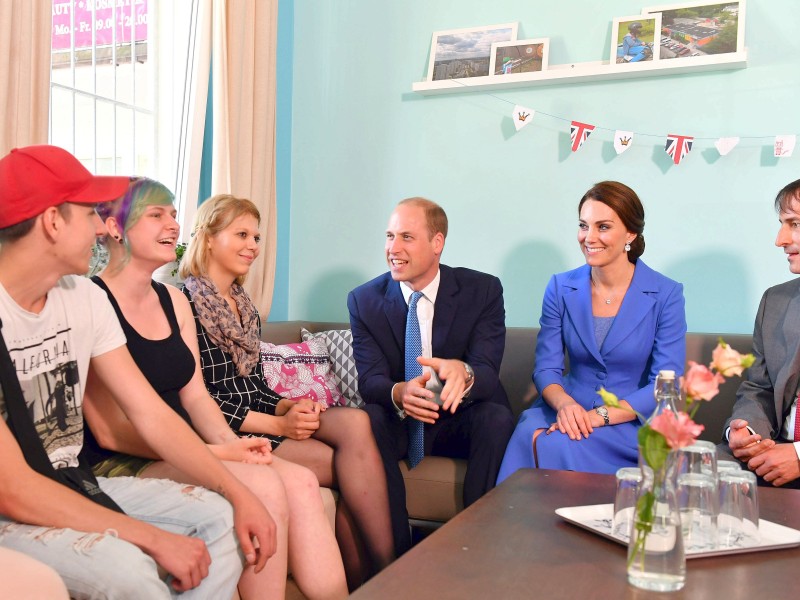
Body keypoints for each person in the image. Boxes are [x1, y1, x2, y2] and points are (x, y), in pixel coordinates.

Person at [0, 145, 274, 598]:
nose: (99, 225)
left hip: (72, 481)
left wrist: (239, 492)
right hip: (12, 507)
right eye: (89, 212)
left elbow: (150, 412)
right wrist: (152, 538)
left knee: (221, 520)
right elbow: (14, 489)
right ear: (52, 221)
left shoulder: (81, 299)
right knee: (128, 568)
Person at [81, 177, 348, 599]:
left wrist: (236, 444)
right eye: (157, 215)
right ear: (115, 228)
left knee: (298, 481)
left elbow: (196, 397)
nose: (172, 223)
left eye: (173, 213)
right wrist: (218, 452)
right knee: (265, 485)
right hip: (123, 460)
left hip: (186, 443)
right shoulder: (89, 300)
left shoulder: (174, 300)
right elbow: (113, 431)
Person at [180, 194, 394, 589]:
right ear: (209, 238)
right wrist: (280, 425)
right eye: (241, 234)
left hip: (261, 415)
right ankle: (379, 579)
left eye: (257, 237)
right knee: (348, 469)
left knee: (355, 423)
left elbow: (256, 385)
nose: (253, 246)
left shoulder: (243, 305)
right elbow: (203, 401)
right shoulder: (184, 303)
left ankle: (385, 573)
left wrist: (290, 404)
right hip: (226, 431)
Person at [348, 197, 515, 555]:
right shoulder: (363, 301)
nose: (393, 248)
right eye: (390, 236)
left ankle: (478, 548)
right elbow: (370, 380)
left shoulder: (482, 291)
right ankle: (393, 557)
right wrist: (399, 392)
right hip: (402, 421)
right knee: (369, 418)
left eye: (406, 237)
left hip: (459, 417)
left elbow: (487, 369)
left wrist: (464, 372)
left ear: (436, 243)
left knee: (497, 416)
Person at [497, 181, 686, 481]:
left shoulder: (666, 294)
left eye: (603, 226)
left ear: (631, 234)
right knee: (531, 435)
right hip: (567, 409)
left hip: (632, 419)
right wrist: (566, 404)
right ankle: (519, 528)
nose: (589, 237)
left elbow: (666, 384)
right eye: (584, 225)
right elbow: (546, 368)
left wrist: (599, 416)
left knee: (560, 442)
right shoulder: (560, 287)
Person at [721, 178, 800, 489]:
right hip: (771, 453)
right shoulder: (775, 302)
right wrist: (746, 432)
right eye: (782, 224)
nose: (780, 239)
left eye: (794, 224)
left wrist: (798, 456)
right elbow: (759, 388)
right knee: (694, 474)